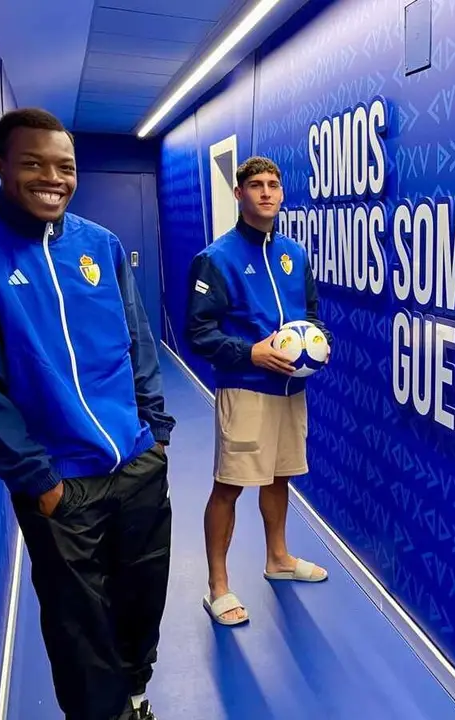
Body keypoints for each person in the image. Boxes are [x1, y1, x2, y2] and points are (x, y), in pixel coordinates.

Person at [0, 108, 174, 720]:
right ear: (0, 166)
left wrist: (155, 435)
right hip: (59, 484)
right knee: (80, 630)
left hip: (136, 463)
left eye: (64, 167)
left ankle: (135, 698)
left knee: (142, 597)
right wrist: (39, 481)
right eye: (33, 164)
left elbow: (139, 342)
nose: (52, 178)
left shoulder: (99, 245)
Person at [186, 155, 331, 625]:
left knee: (279, 476)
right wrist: (250, 353)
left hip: (291, 390)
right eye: (255, 185)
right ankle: (218, 586)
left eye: (273, 184)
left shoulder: (295, 254)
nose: (266, 192)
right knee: (229, 486)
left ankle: (278, 558)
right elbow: (198, 333)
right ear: (239, 194)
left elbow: (311, 314)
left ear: (282, 193)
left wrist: (319, 343)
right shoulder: (216, 259)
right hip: (245, 388)